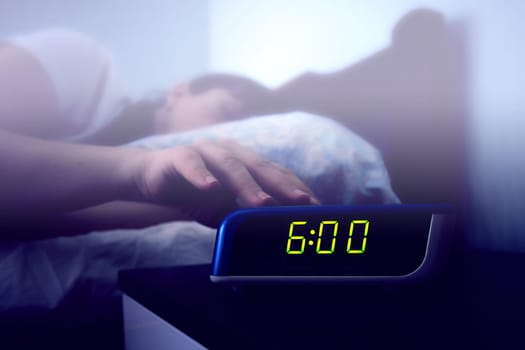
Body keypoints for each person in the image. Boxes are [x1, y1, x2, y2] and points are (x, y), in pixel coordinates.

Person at [0, 29, 319, 239]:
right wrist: (138, 169)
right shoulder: (84, 67)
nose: (227, 136)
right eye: (227, 114)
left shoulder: (179, 207)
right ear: (179, 91)